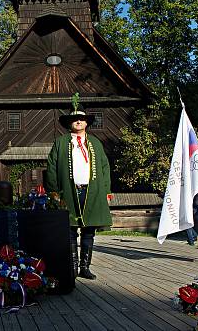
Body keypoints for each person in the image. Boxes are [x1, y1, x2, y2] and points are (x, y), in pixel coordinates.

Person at [46, 106, 112, 280]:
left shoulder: (95, 143)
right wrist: (53, 190)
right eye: (75, 119)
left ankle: (85, 267)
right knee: (70, 228)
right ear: (69, 123)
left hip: (92, 191)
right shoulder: (61, 142)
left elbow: (105, 167)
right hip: (69, 190)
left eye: (81, 119)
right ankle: (73, 267)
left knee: (89, 229)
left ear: (86, 123)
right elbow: (51, 167)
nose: (78, 121)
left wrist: (106, 190)